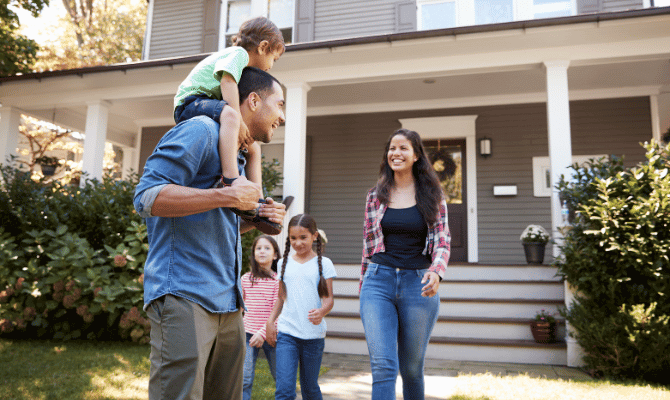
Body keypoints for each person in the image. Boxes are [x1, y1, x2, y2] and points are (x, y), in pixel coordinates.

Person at [134, 66, 287, 400]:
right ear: (254, 100)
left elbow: (222, 221)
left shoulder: (236, 154)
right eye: (280, 104)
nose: (283, 117)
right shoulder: (201, 130)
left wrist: (259, 218)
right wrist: (226, 195)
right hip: (185, 295)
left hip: (229, 303)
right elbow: (146, 197)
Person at [359, 128, 451, 400]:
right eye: (391, 148)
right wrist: (364, 285)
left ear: (415, 155)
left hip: (418, 284)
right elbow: (367, 246)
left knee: (411, 369)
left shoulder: (433, 196)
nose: (395, 153)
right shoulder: (375, 196)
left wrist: (437, 272)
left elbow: (443, 240)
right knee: (383, 367)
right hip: (378, 282)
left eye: (402, 148)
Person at [173, 16, 285, 232]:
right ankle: (232, 179)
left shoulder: (239, 62)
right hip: (191, 100)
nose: (271, 66)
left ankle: (258, 203)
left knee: (253, 146)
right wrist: (238, 119)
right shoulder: (237, 54)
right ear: (263, 47)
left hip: (204, 102)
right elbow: (227, 82)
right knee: (231, 117)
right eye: (274, 58)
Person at [265, 214, 337, 400]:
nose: (298, 242)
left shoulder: (324, 264)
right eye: (293, 238)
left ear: (314, 236)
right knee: (284, 390)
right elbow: (281, 298)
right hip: (287, 333)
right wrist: (270, 322)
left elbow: (329, 300)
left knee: (310, 389)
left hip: (313, 336)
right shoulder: (282, 263)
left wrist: (321, 311)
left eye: (303, 237)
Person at [241, 235, 281, 400]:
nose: (262, 251)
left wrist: (262, 333)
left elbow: (278, 312)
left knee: (281, 377)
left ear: (275, 255)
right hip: (247, 335)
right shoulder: (245, 279)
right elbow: (240, 307)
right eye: (258, 248)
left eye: (267, 248)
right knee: (244, 378)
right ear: (254, 254)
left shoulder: (278, 281)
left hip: (272, 334)